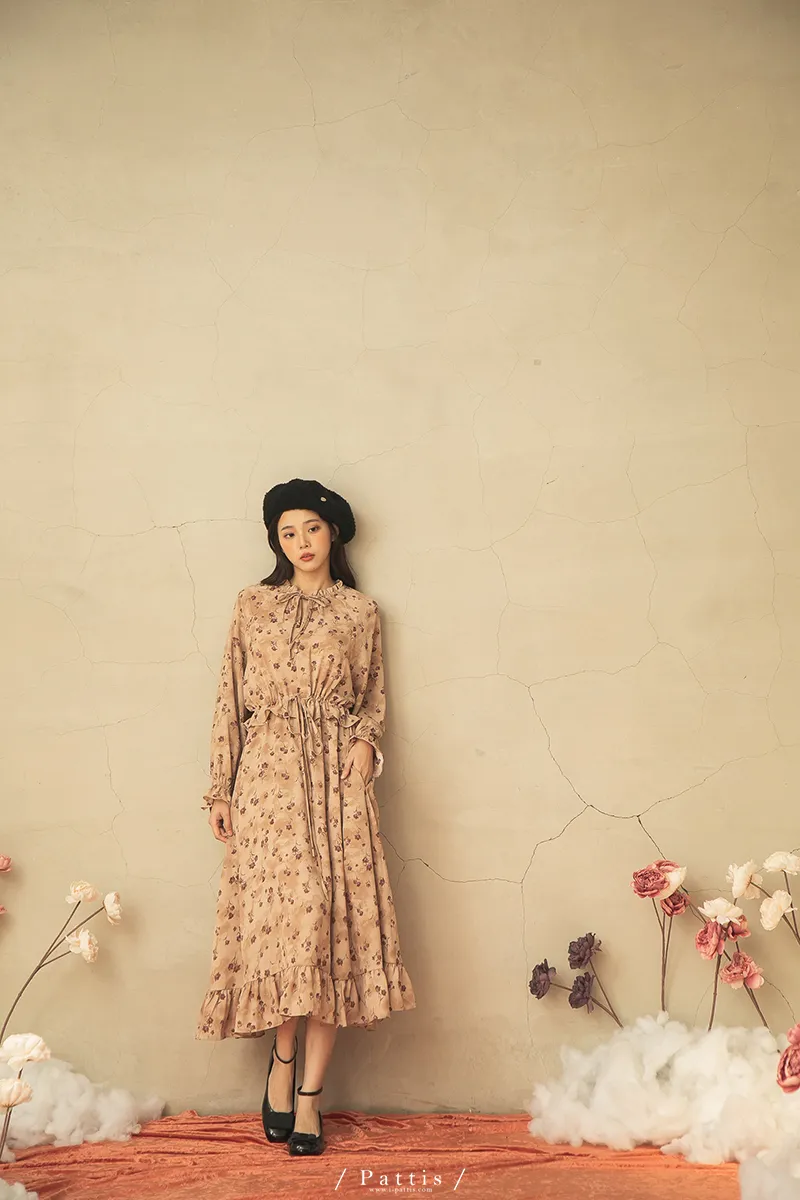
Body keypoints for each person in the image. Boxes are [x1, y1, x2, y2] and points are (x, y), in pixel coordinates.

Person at [195, 478, 416, 1157]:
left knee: (332, 929)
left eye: (312, 529)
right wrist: (221, 789)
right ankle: (282, 1063)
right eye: (288, 533)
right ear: (277, 541)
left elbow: (373, 694)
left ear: (333, 533)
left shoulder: (359, 611)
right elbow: (229, 697)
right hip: (267, 781)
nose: (302, 543)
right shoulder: (253, 605)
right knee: (286, 929)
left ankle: (311, 1096)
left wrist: (365, 742)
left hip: (337, 782)